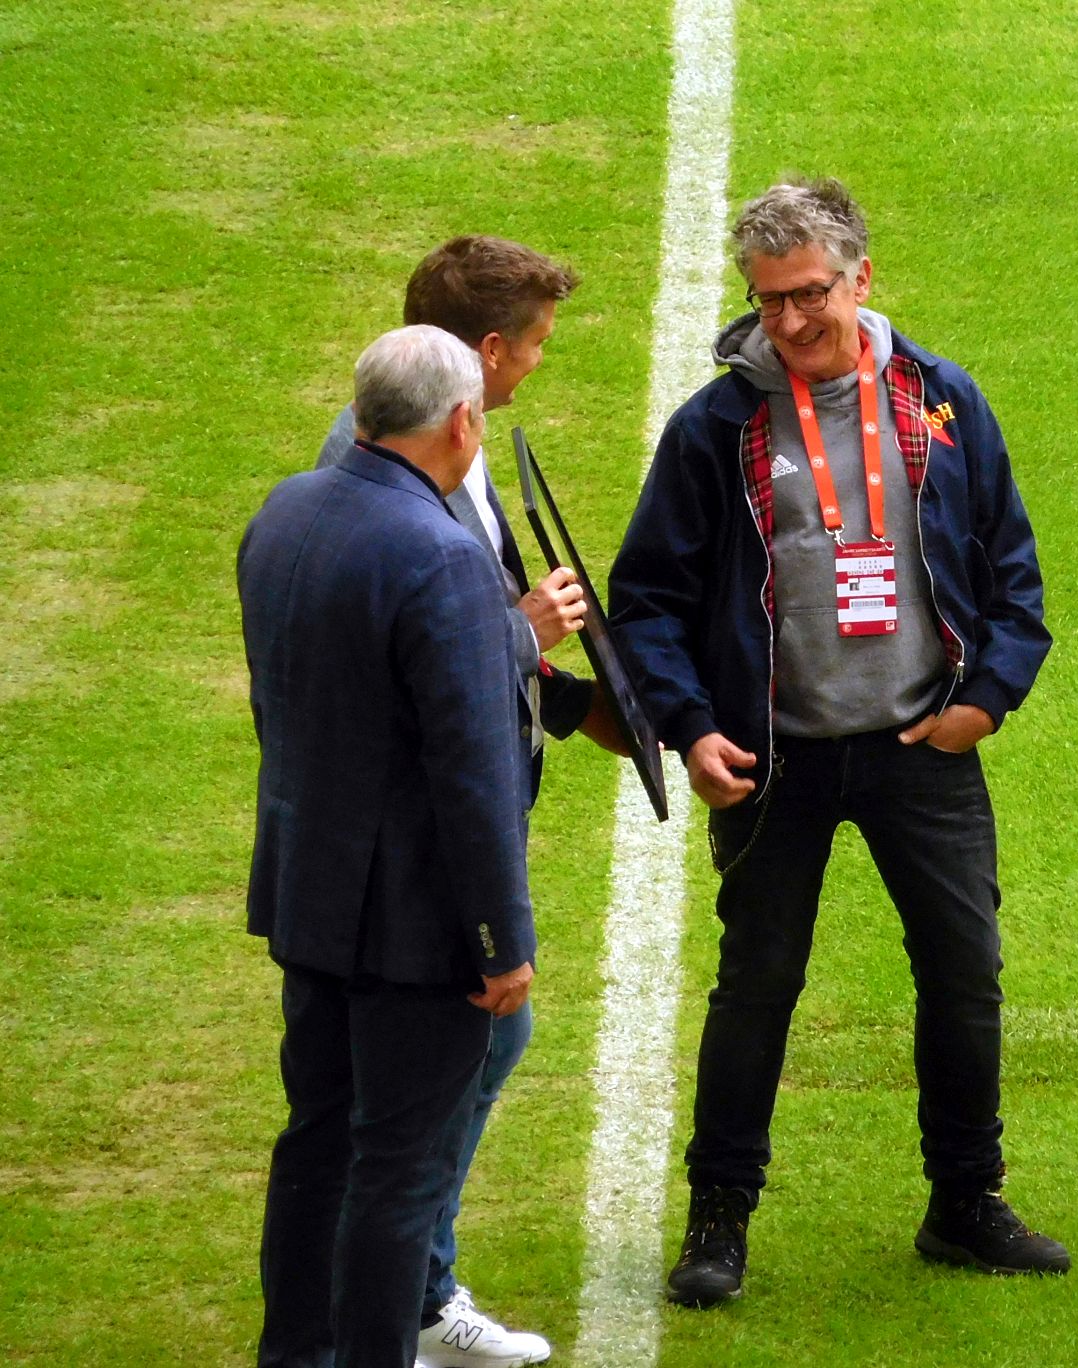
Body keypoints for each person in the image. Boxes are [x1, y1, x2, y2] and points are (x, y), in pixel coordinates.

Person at [608, 177, 1066, 1307]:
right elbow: (647, 599)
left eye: (810, 293)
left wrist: (986, 700)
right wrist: (691, 728)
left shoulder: (942, 402)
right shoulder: (715, 427)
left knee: (963, 976)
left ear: (862, 277)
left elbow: (1012, 571)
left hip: (924, 748)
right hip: (773, 760)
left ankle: (964, 1202)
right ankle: (719, 1220)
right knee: (756, 988)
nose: (791, 320)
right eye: (768, 300)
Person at [318, 236, 623, 1366]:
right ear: (487, 353)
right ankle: (405, 1304)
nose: (540, 362)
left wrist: (576, 703)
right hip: (412, 848)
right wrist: (523, 632)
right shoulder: (395, 469)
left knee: (441, 1075)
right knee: (434, 1082)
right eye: (535, 344)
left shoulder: (436, 447)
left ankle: (406, 1293)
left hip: (390, 840)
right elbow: (418, 657)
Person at [242, 325, 538, 1367]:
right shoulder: (443, 559)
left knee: (316, 1142)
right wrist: (501, 941)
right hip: (414, 928)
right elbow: (474, 775)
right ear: (461, 422)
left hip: (308, 894)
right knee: (399, 1171)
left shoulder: (285, 509)